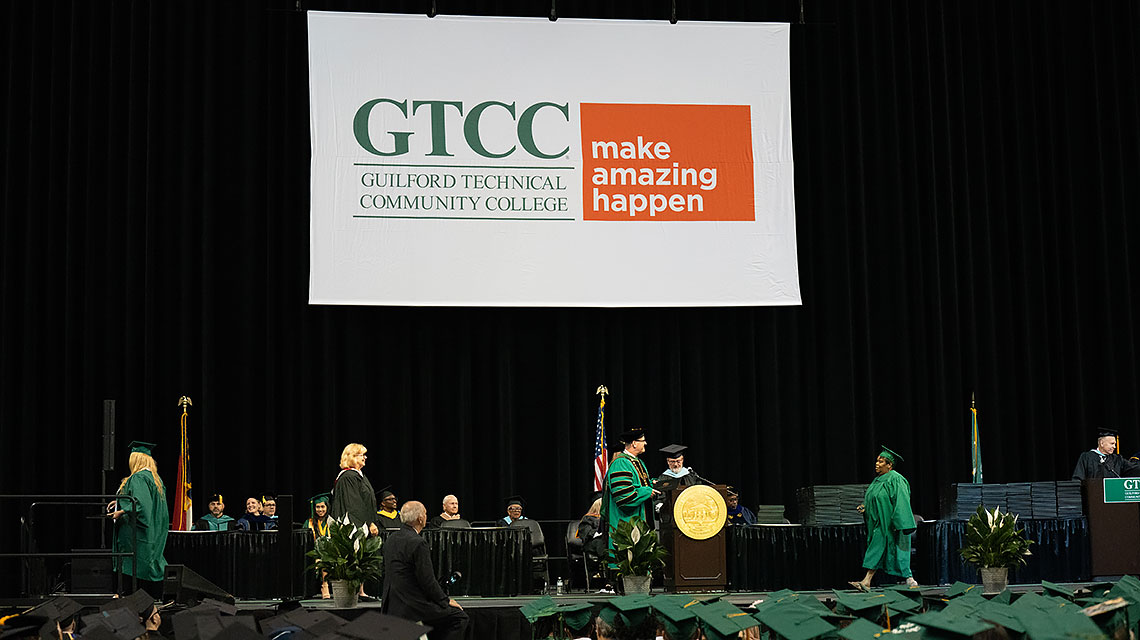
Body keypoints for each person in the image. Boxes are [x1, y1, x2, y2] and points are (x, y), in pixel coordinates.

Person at [381, 500, 468, 640]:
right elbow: (427, 581)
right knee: (459, 617)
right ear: (420, 518)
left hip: (391, 605)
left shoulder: (391, 539)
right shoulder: (418, 543)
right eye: (425, 514)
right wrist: (445, 600)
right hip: (412, 606)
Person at [107, 441, 169, 598]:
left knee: (134, 561)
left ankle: (128, 595)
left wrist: (121, 511)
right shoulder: (155, 479)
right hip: (153, 530)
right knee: (150, 560)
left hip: (137, 532)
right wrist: (120, 501)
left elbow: (141, 505)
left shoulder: (138, 478)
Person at [850, 446, 918, 590]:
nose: (877, 463)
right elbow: (875, 499)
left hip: (892, 523)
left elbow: (901, 500)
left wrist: (899, 521)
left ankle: (909, 578)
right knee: (877, 549)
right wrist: (865, 507)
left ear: (889, 465)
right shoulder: (877, 481)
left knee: (897, 551)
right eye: (877, 460)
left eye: (881, 461)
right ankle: (867, 581)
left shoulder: (896, 479)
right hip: (879, 523)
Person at [601, 427, 659, 561]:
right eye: (643, 441)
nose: (646, 443)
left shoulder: (637, 462)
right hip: (626, 522)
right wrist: (647, 491)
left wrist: (652, 484)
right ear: (634, 443)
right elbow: (624, 496)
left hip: (639, 520)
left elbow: (637, 484)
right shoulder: (621, 463)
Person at [330, 443, 379, 536]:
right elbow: (354, 505)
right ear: (353, 457)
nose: (365, 457)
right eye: (362, 455)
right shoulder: (348, 477)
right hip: (355, 529)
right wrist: (369, 523)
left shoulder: (359, 476)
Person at [1072, 428, 1140, 480]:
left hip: (1113, 495)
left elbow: (1134, 468)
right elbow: (1078, 478)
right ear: (1101, 443)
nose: (1114, 447)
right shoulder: (1087, 457)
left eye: (1115, 444)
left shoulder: (1117, 459)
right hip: (1092, 496)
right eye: (1112, 444)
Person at [304, 493, 332, 599]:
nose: (320, 510)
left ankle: (325, 586)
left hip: (330, 554)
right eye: (317, 507)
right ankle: (324, 586)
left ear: (327, 507)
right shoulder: (309, 522)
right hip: (314, 554)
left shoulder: (331, 522)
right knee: (321, 561)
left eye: (322, 507)